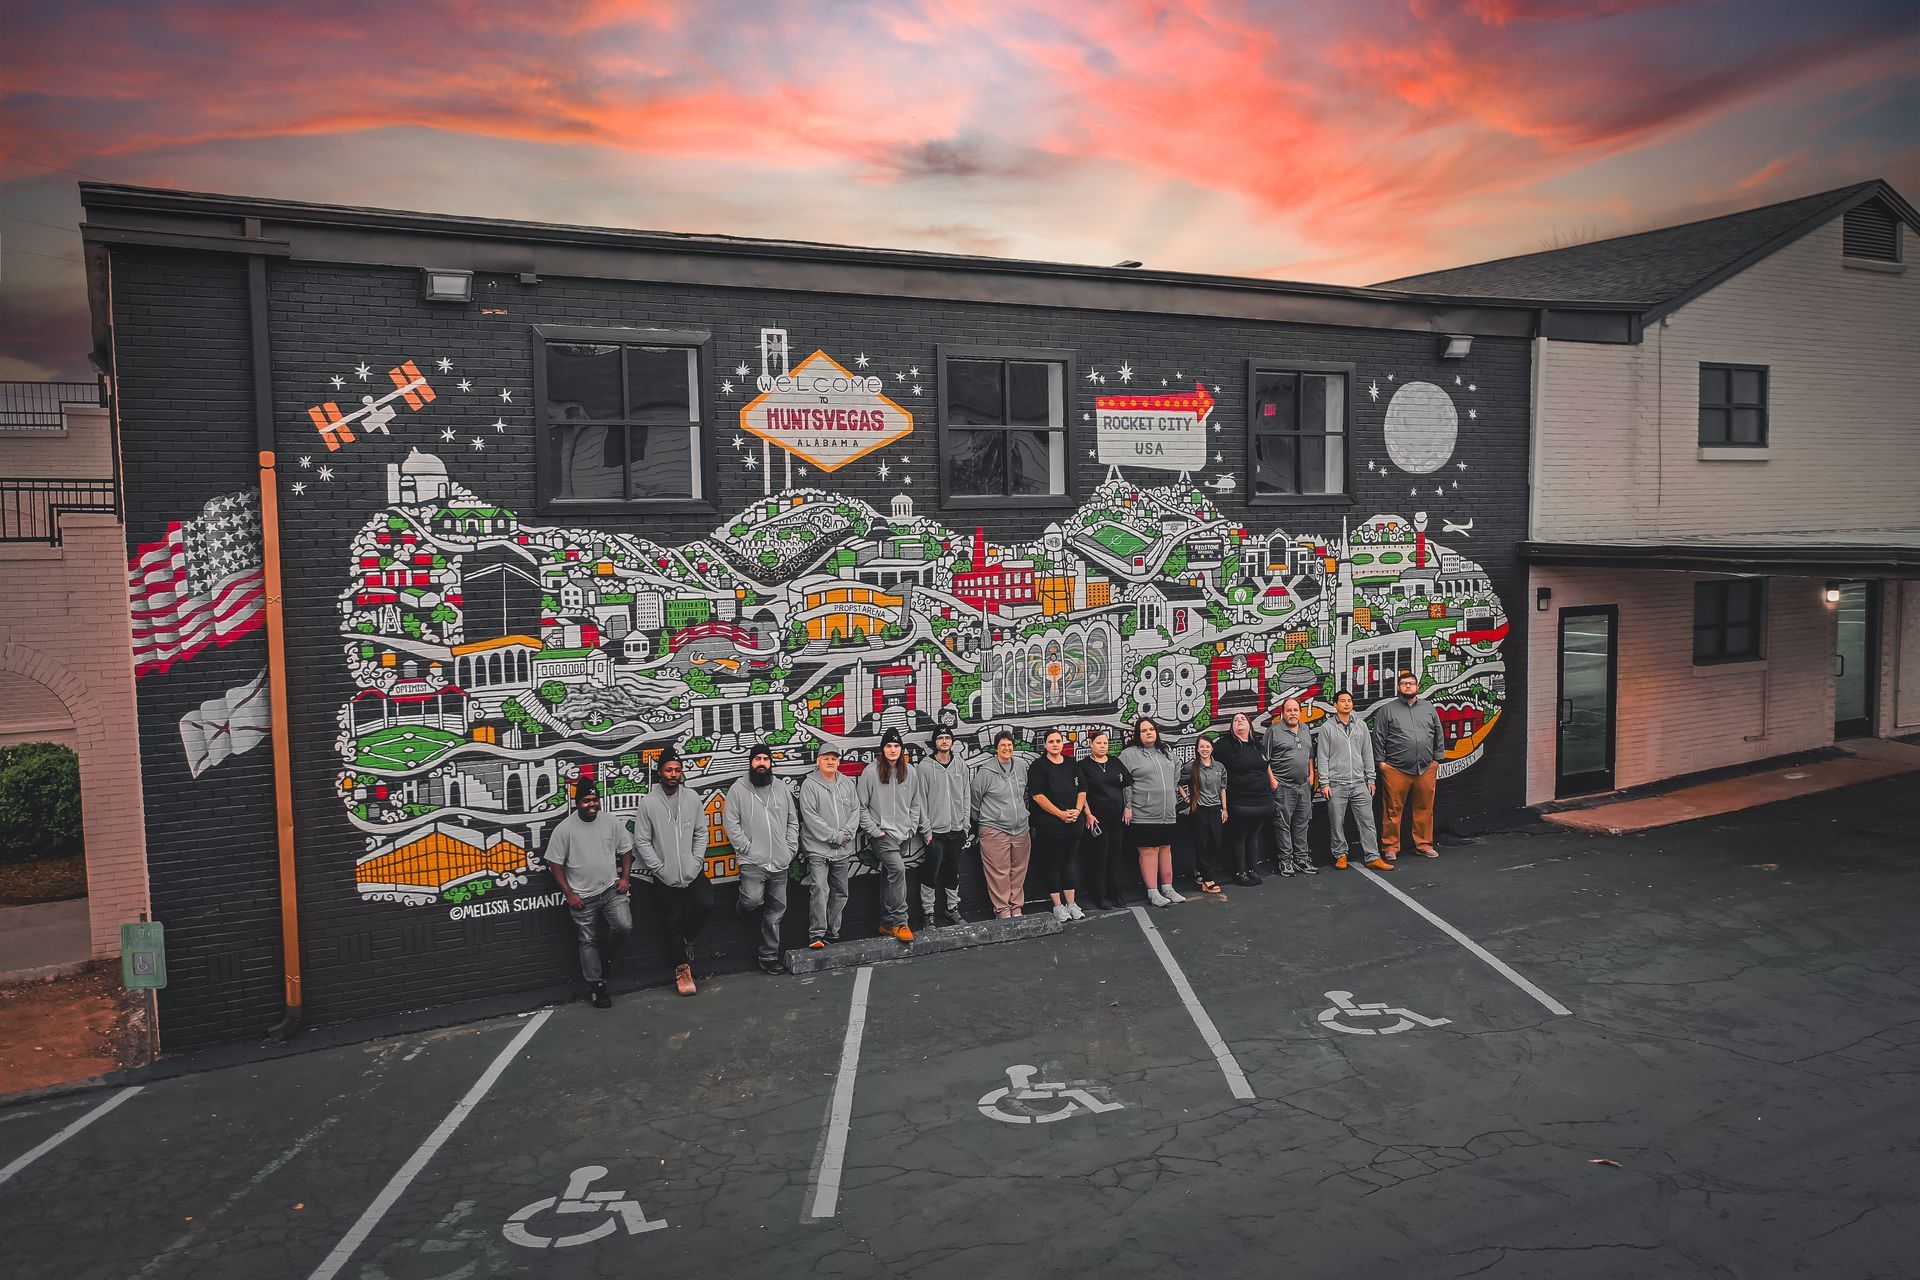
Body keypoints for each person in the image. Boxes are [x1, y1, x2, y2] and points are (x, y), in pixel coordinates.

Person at [543, 782, 635, 1009]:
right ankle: (597, 987)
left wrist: (625, 878)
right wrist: (569, 893)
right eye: (586, 801)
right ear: (578, 803)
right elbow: (554, 863)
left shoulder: (610, 822)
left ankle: (605, 954)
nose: (591, 804)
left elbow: (626, 850)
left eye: (594, 800)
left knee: (624, 926)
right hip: (582, 896)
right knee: (587, 940)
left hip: (610, 890)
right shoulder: (565, 829)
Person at [632, 748, 710, 996]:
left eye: (677, 770)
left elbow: (701, 832)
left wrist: (696, 860)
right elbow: (642, 840)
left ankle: (689, 938)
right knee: (671, 923)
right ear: (660, 772)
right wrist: (659, 868)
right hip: (664, 875)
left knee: (705, 904)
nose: (673, 774)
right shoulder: (649, 803)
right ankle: (683, 972)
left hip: (691, 869)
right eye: (668, 770)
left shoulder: (692, 798)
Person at [725, 743, 800, 974]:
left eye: (765, 759)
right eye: (757, 759)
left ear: (771, 763)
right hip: (753, 861)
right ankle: (742, 907)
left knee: (776, 912)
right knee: (752, 901)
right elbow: (731, 822)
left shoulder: (781, 788)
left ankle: (768, 956)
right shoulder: (738, 789)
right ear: (750, 762)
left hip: (780, 861)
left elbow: (792, 821)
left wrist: (789, 849)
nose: (761, 763)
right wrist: (746, 847)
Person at [1374, 670, 1447, 861]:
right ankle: (1390, 846)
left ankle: (1423, 844)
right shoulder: (1387, 710)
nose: (1408, 686)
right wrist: (1382, 763)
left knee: (1424, 808)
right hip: (1396, 769)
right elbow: (1378, 737)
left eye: (1411, 683)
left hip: (1425, 768)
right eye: (1404, 683)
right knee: (1392, 810)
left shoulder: (1429, 708)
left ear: (1417, 687)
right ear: (1398, 687)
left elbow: (1438, 732)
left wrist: (1436, 760)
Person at [858, 728, 921, 943]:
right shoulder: (870, 772)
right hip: (882, 836)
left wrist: (912, 827)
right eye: (888, 746)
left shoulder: (910, 772)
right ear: (882, 749)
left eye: (896, 746)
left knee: (890, 877)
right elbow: (861, 806)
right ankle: (900, 922)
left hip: (903, 835)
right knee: (898, 870)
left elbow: (915, 803)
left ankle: (886, 923)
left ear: (901, 749)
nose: (892, 750)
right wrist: (875, 831)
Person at [1314, 691, 1388, 872]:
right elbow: (1322, 757)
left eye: (1349, 701)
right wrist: (1324, 783)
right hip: (1336, 784)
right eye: (1342, 701)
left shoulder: (1361, 726)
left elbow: (1367, 754)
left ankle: (1373, 856)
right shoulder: (1327, 728)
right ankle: (1340, 855)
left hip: (1359, 783)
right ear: (1335, 705)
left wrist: (1370, 779)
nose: (1346, 704)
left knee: (1367, 821)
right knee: (1336, 822)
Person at [796, 745, 860, 948]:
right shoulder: (809, 785)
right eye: (826, 758)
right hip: (817, 849)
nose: (830, 761)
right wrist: (835, 836)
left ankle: (833, 932)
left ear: (839, 762)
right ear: (818, 761)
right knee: (820, 889)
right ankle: (817, 934)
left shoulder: (847, 783)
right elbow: (810, 817)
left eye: (834, 758)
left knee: (841, 891)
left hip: (842, 849)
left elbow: (855, 810)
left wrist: (846, 834)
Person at [1120, 716, 1187, 906]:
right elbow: (1125, 783)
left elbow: (1176, 769)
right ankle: (1153, 892)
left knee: (1166, 848)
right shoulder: (1129, 754)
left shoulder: (1165, 751)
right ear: (1137, 734)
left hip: (1167, 812)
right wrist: (1128, 806)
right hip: (1143, 812)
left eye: (1151, 729)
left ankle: (1168, 888)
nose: (1148, 733)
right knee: (1149, 850)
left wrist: (1171, 793)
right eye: (1144, 730)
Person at [1024, 729, 1086, 922]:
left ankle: (1071, 903)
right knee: (1053, 863)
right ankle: (1058, 906)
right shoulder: (1038, 766)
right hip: (1050, 826)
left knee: (1069, 861)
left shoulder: (1071, 763)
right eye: (1051, 741)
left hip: (1073, 824)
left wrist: (1077, 810)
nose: (1055, 744)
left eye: (1058, 741)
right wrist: (1059, 813)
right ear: (1045, 745)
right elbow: (1037, 795)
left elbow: (1082, 789)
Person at [913, 726, 971, 927]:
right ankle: (928, 913)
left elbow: (966, 795)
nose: (944, 741)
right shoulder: (925, 767)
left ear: (952, 742)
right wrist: (926, 829)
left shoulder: (960, 765)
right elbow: (920, 799)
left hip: (957, 829)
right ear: (935, 742)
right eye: (940, 738)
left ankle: (951, 908)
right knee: (931, 872)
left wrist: (965, 825)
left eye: (947, 738)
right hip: (935, 832)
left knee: (953, 871)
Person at [971, 730, 1031, 918]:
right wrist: (986, 821)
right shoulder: (986, 771)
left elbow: (1024, 794)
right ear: (996, 748)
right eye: (1003, 745)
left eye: (1010, 745)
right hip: (994, 829)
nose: (1007, 748)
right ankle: (1002, 909)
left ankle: (1016, 906)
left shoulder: (1021, 767)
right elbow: (975, 800)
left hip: (1021, 828)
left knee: (1019, 869)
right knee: (999, 872)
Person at [1215, 710, 1276, 887]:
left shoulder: (1257, 745)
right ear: (1231, 727)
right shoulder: (1224, 746)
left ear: (1249, 725)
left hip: (1262, 801)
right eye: (1236, 720)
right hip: (1240, 802)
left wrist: (1272, 780)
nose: (1239, 721)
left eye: (1243, 719)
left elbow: (1265, 765)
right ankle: (1239, 872)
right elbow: (1208, 762)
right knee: (1239, 837)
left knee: (1253, 837)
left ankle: (1252, 869)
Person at [1077, 728, 1133, 911]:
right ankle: (1099, 895)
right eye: (1099, 743)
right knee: (1100, 856)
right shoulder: (1084, 765)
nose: (1102, 746)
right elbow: (1082, 793)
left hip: (1117, 817)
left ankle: (1116, 893)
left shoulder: (1115, 762)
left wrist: (1128, 807)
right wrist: (1088, 814)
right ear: (1091, 744)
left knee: (1116, 854)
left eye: (1105, 743)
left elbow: (1126, 786)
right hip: (1097, 820)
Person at [1264, 697, 1318, 877]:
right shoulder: (1274, 731)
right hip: (1283, 786)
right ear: (1283, 713)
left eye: (1296, 710)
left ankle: (1301, 859)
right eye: (1289, 710)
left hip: (1303, 786)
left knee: (1302, 824)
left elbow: (1310, 754)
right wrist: (1273, 781)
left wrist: (1311, 774)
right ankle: (1286, 861)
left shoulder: (1305, 728)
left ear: (1300, 712)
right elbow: (1265, 759)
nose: (1293, 713)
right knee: (1283, 824)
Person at [1185, 734, 1226, 896]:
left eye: (1207, 746)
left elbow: (1223, 787)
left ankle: (1200, 870)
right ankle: (1207, 879)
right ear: (1197, 749)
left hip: (1215, 808)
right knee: (1201, 843)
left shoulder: (1219, 767)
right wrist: (1187, 797)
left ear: (1212, 748)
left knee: (1215, 841)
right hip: (1199, 809)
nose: (1204, 749)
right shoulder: (1191, 767)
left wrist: (1224, 808)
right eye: (1201, 746)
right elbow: (1179, 781)